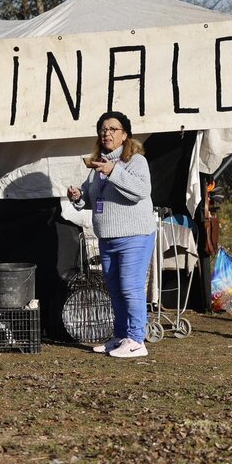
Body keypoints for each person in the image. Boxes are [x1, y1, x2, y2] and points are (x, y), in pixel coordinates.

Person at [67, 111, 155, 359]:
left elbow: (140, 191)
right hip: (108, 238)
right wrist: (78, 196)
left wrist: (113, 171)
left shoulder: (136, 162)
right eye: (103, 129)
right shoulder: (98, 164)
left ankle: (137, 340)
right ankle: (120, 337)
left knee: (130, 288)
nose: (107, 133)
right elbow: (91, 196)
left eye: (113, 129)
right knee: (115, 289)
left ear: (125, 135)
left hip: (134, 236)